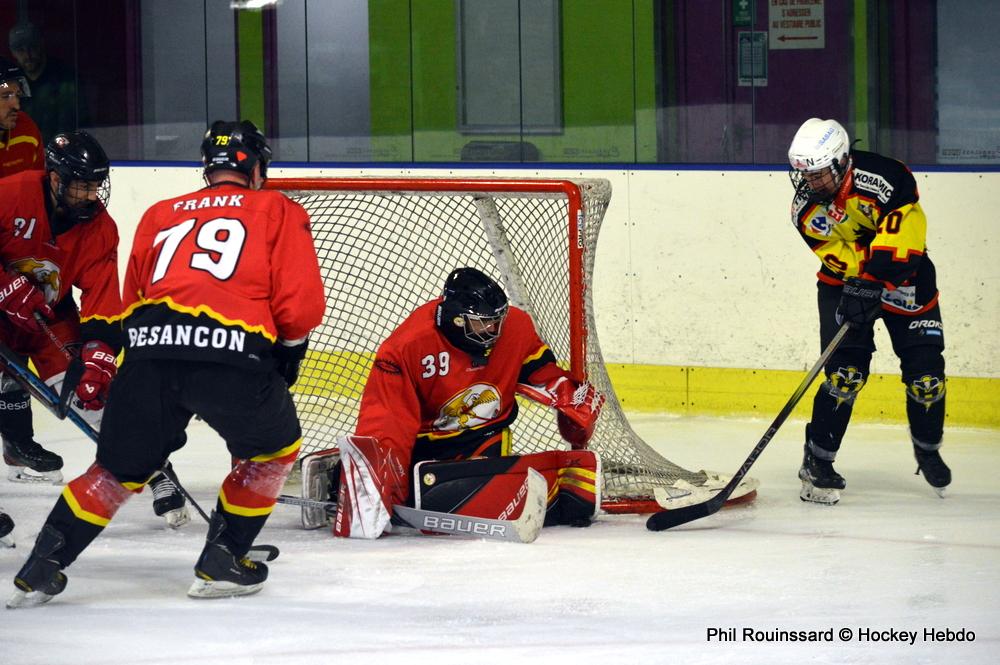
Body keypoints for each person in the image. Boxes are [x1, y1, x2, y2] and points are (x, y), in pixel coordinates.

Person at [7, 120, 326, 607]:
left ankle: (43, 565)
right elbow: (299, 307)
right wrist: (289, 351)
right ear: (257, 168)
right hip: (230, 354)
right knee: (274, 448)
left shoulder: (161, 212)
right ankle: (224, 557)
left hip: (149, 355)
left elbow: (133, 296)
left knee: (113, 471)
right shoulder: (278, 208)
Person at [330, 267, 605, 539]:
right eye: (482, 323)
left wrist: (568, 395)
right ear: (456, 320)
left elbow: (539, 368)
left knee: (488, 483)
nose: (493, 330)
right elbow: (389, 421)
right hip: (427, 446)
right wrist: (385, 488)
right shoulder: (407, 346)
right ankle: (343, 479)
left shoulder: (516, 326)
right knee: (416, 487)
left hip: (486, 436)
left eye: (497, 321)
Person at [0, 130, 189, 523]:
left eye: (95, 186)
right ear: (55, 179)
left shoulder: (101, 228)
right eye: (81, 186)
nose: (90, 196)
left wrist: (99, 351)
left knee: (95, 395)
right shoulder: (11, 194)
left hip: (49, 317)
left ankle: (158, 472)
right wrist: (4, 286)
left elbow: (103, 298)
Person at [787, 117, 950, 505]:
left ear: (843, 162)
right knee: (845, 374)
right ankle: (818, 460)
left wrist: (876, 277)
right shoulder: (804, 210)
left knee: (926, 377)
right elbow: (834, 253)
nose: (810, 183)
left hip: (905, 278)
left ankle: (927, 447)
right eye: (804, 175)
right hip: (843, 287)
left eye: (819, 174)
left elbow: (905, 236)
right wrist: (860, 282)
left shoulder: (887, 178)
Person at [7, 22, 79, 142]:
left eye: (32, 47)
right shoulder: (11, 82)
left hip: (57, 150)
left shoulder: (64, 78)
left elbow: (71, 126)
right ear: (13, 53)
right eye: (20, 50)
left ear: (41, 45)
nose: (27, 55)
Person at [0, 56, 43, 176]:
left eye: (17, 95)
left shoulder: (26, 128)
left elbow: (36, 186)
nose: (17, 107)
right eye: (6, 96)